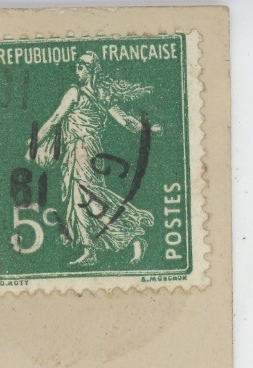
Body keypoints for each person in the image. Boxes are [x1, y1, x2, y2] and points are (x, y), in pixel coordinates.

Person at [31, 52, 161, 267]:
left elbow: (55, 119)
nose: (77, 70)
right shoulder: (101, 94)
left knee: (84, 197)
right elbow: (126, 121)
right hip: (87, 151)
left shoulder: (76, 92)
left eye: (81, 67)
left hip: (82, 150)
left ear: (91, 70)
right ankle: (128, 238)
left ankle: (117, 237)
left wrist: (35, 143)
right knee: (90, 200)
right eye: (77, 67)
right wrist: (148, 129)